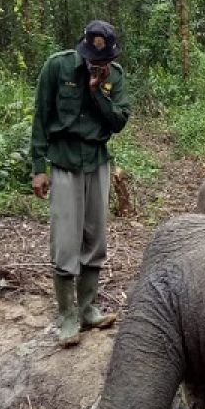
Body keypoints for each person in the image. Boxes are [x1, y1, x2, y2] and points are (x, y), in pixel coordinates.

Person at [30, 20, 131, 346]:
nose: (96, 65)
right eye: (92, 59)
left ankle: (88, 309)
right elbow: (41, 117)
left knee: (94, 238)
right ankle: (67, 315)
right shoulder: (57, 66)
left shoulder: (114, 76)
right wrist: (38, 167)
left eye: (102, 60)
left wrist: (95, 91)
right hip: (64, 163)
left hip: (97, 163)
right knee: (64, 241)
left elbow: (118, 122)